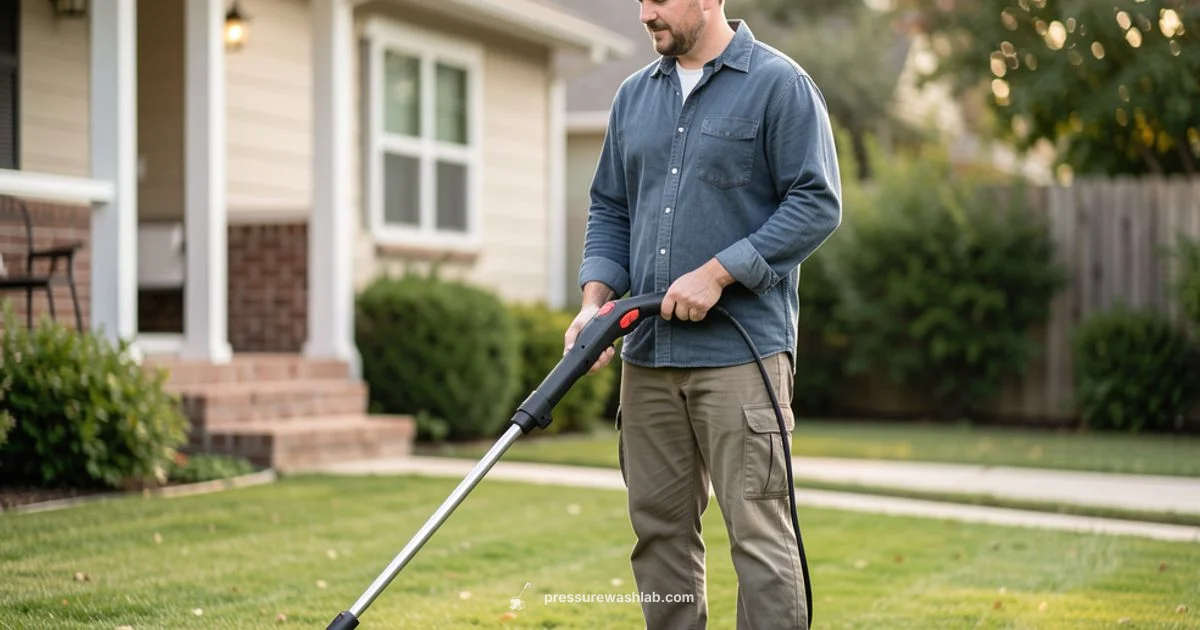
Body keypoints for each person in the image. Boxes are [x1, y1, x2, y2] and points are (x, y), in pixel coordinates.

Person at [563, 1, 842, 628]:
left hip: (741, 358)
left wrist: (719, 273)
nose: (645, 13)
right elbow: (610, 209)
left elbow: (816, 203)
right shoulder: (633, 97)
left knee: (759, 538)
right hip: (648, 357)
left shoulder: (779, 85)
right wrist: (593, 307)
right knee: (659, 534)